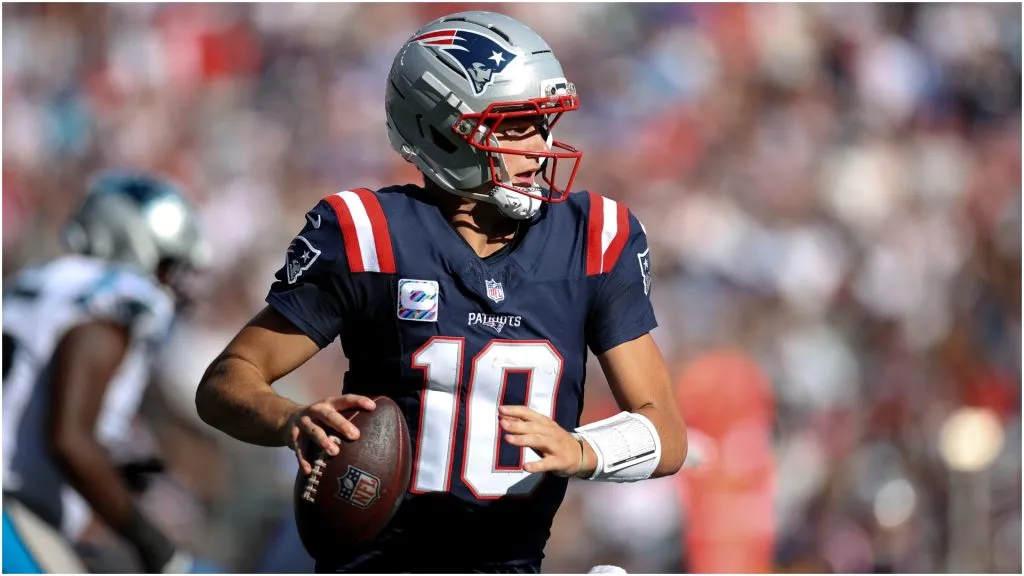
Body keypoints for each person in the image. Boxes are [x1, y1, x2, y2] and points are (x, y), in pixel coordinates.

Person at [195, 10, 687, 573]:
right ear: (441, 129)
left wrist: (584, 449)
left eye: (543, 123)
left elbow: (665, 432)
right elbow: (225, 381)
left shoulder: (593, 238)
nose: (540, 147)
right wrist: (290, 421)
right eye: (514, 126)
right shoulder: (370, 234)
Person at [2, 171, 209, 573]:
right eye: (169, 265)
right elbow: (69, 439)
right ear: (136, 241)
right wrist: (152, 543)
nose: (173, 282)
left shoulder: (41, 280)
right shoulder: (115, 304)